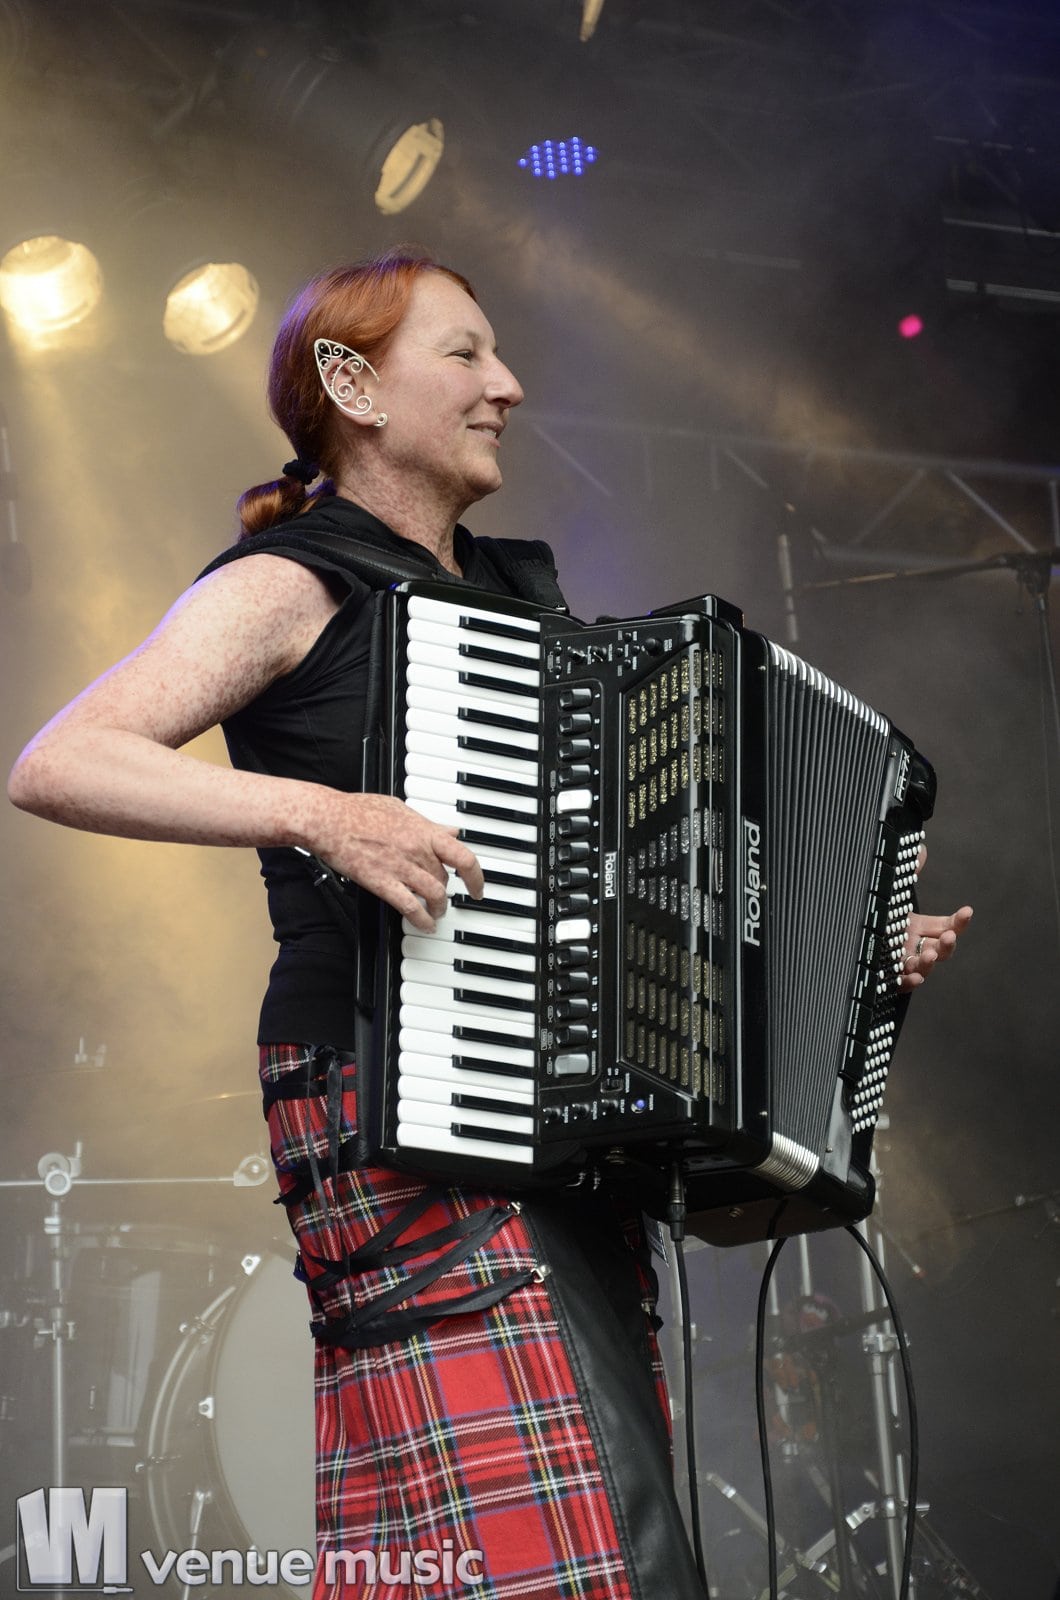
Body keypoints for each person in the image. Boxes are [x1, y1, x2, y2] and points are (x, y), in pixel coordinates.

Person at [7, 248, 972, 1600]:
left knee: (533, 1537)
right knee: (571, 1552)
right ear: (352, 386)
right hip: (385, 1086)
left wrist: (846, 966)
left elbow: (630, 900)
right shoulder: (291, 581)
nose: (507, 385)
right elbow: (59, 760)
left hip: (542, 1117)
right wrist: (326, 816)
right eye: (463, 354)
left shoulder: (523, 610)